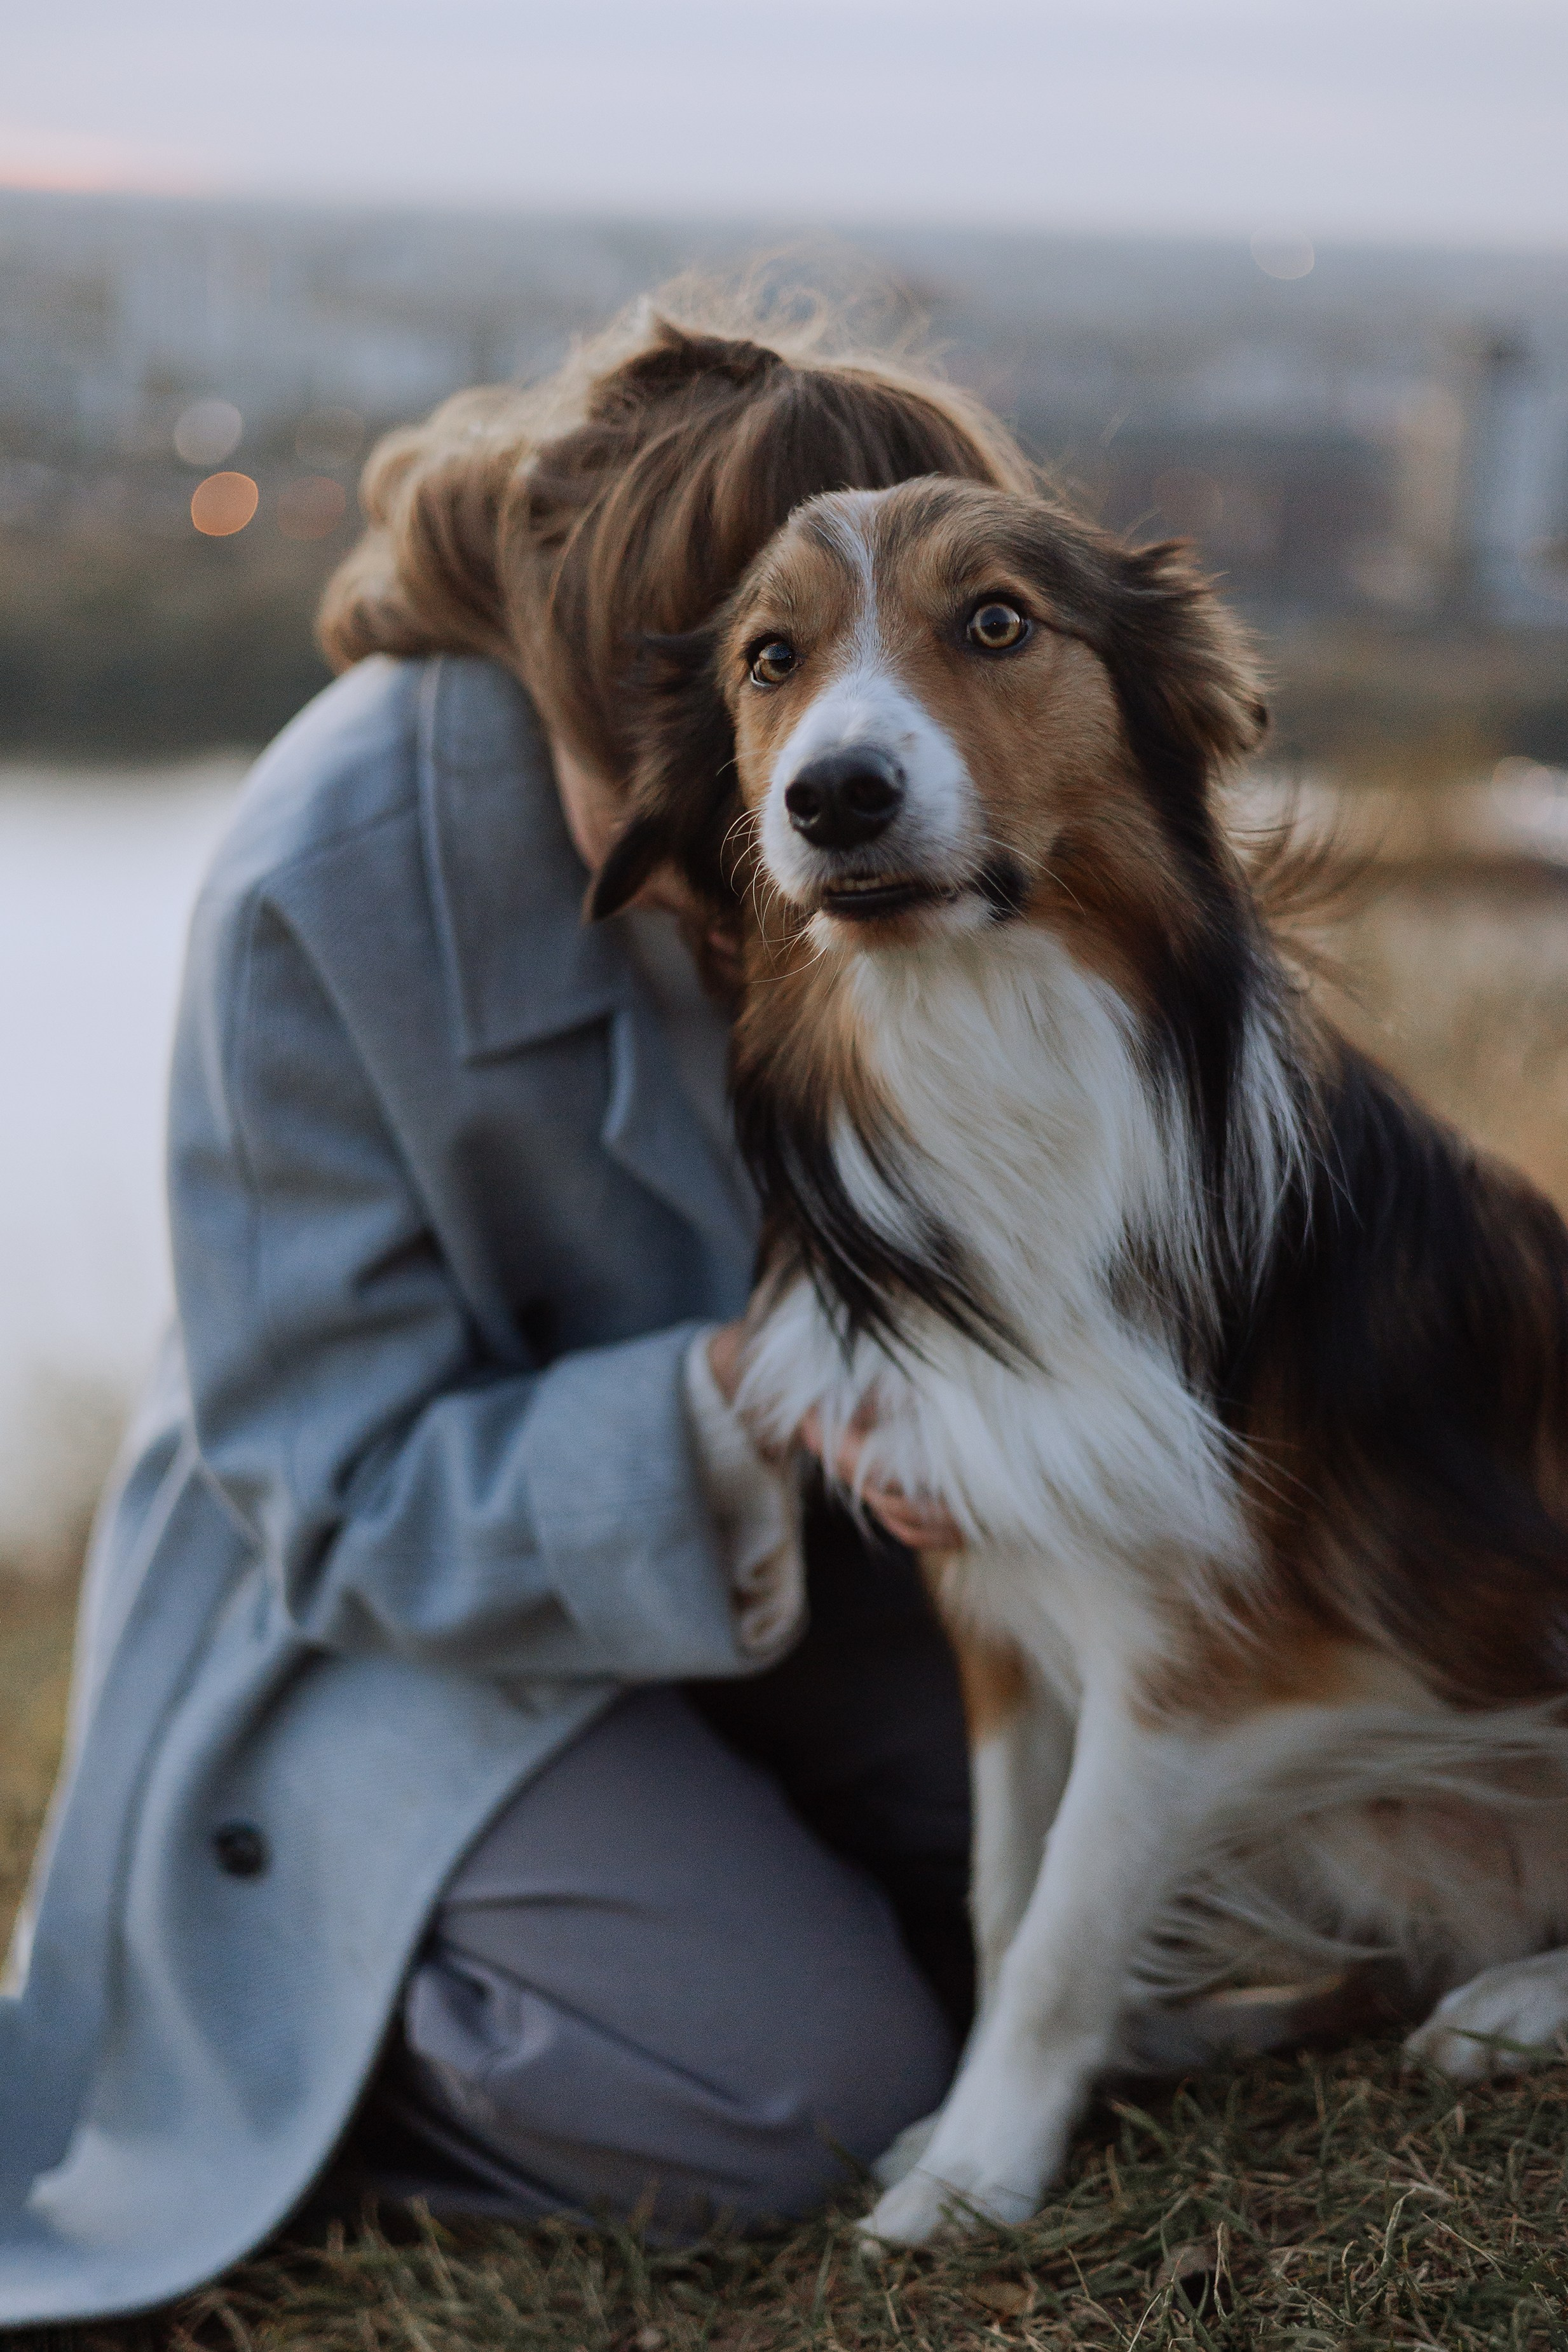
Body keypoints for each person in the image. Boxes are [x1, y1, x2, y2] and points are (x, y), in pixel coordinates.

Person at [0, 289, 1035, 2325]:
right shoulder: (328, 869)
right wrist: (752, 1404)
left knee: (1148, 1925)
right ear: (566, 690)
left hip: (823, 1570)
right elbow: (333, 1485)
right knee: (817, 2097)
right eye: (667, 814)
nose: (740, 879)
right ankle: (314, 2017)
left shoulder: (960, 771)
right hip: (376, 1623)